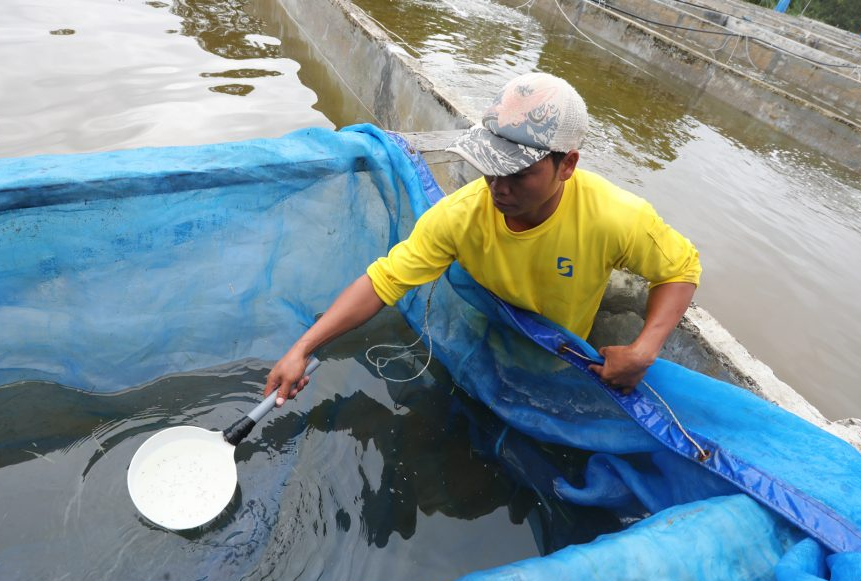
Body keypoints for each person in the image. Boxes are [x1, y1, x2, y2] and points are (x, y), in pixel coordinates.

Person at [264, 72, 701, 404]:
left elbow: (681, 268)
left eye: (519, 173)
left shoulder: (615, 217)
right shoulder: (460, 216)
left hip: (557, 360)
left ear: (567, 165)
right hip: (483, 335)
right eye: (490, 165)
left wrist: (644, 350)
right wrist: (302, 347)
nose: (498, 186)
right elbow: (384, 282)